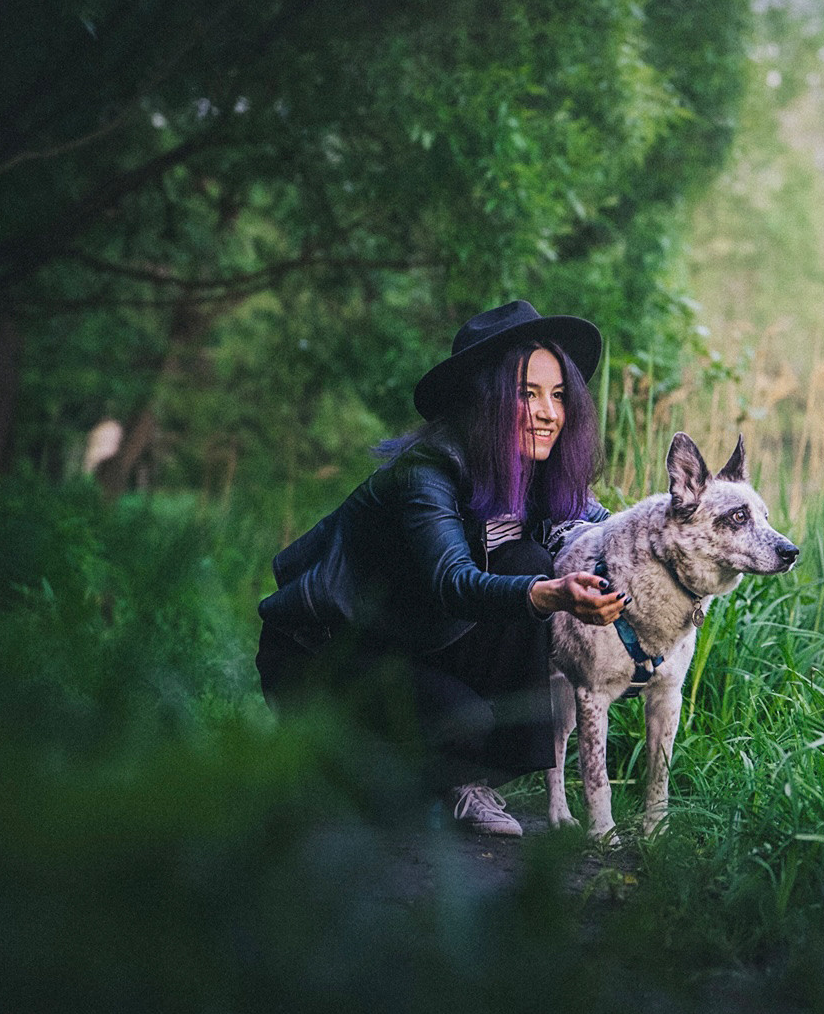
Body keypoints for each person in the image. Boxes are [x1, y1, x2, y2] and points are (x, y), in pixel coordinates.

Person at [256, 300, 625, 836]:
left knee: (528, 560)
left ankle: (468, 783)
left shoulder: (540, 476)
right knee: (456, 727)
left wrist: (670, 549)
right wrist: (553, 594)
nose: (549, 412)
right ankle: (321, 758)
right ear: (485, 399)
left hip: (413, 641)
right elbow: (451, 583)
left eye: (560, 396)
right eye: (528, 394)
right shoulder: (427, 470)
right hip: (326, 652)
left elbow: (610, 532)